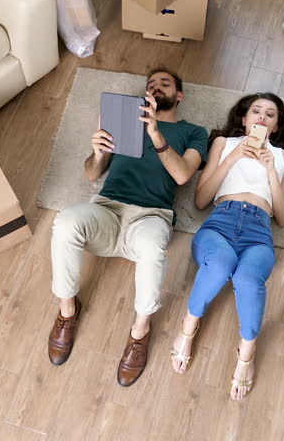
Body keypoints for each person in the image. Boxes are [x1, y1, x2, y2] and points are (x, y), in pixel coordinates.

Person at [47, 68, 208, 387]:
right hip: (107, 208)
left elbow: (182, 176)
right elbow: (92, 174)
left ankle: (140, 331)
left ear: (179, 96)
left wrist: (156, 134)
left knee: (151, 247)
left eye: (165, 83)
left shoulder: (194, 132)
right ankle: (67, 310)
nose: (156, 87)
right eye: (151, 84)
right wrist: (98, 151)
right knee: (65, 222)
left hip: (152, 216)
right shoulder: (124, 119)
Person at [170, 93, 284, 401]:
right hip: (220, 223)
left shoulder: (283, 156)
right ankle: (188, 326)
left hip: (260, 231)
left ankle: (246, 352)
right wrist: (234, 157)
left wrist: (269, 172)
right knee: (221, 265)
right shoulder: (224, 143)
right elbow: (200, 201)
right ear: (244, 119)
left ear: (275, 127)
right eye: (256, 111)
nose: (262, 118)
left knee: (248, 279)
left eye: (270, 115)